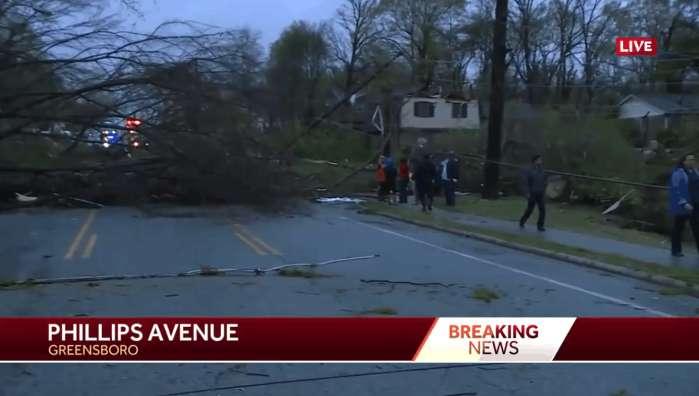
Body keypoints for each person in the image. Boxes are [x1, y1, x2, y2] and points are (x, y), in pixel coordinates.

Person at [669, 154, 698, 257]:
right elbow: (675, 189)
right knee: (678, 227)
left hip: (695, 204)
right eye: (689, 159)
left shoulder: (696, 172)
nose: (692, 161)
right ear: (684, 161)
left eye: (693, 159)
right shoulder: (678, 173)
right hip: (683, 205)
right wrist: (683, 203)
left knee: (696, 228)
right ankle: (676, 250)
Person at [519, 154, 548, 231]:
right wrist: (527, 193)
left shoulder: (541, 170)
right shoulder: (529, 170)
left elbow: (544, 180)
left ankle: (540, 226)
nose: (541, 161)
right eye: (539, 160)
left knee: (543, 209)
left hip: (540, 193)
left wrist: (544, 189)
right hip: (532, 193)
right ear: (535, 161)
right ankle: (522, 221)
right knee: (530, 209)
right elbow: (525, 182)